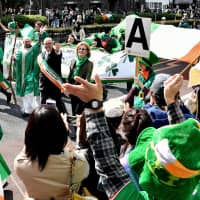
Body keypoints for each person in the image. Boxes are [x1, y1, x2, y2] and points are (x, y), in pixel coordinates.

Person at [62, 73, 194, 200]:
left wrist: (94, 103)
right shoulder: (195, 185)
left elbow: (107, 162)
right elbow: (186, 152)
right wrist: (171, 102)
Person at [14, 104, 89, 199]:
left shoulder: (20, 163)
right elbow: (82, 162)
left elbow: (28, 146)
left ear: (29, 132)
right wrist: (70, 132)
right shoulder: (77, 163)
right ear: (61, 132)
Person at [14, 37, 41, 117]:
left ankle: (34, 110)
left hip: (30, 74)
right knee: (24, 95)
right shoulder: (20, 50)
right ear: (23, 42)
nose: (27, 42)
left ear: (30, 41)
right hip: (21, 75)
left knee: (29, 93)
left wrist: (40, 36)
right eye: (25, 41)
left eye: (28, 41)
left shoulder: (33, 49)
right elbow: (18, 60)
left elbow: (38, 46)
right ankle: (27, 110)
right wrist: (14, 59)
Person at [39, 37, 67, 113]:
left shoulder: (56, 53)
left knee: (59, 103)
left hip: (54, 83)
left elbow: (58, 55)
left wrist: (58, 50)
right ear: (43, 45)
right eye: (46, 44)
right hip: (44, 85)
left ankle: (66, 118)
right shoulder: (42, 54)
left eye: (49, 43)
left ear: (52, 44)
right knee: (43, 103)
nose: (47, 45)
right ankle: (42, 118)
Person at [68, 41, 93, 115]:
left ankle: (80, 125)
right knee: (73, 110)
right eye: (79, 49)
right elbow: (70, 74)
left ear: (87, 52)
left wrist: (83, 87)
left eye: (83, 49)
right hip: (72, 88)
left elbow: (87, 78)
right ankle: (75, 126)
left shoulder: (89, 63)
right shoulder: (73, 61)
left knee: (78, 111)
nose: (81, 50)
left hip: (81, 89)